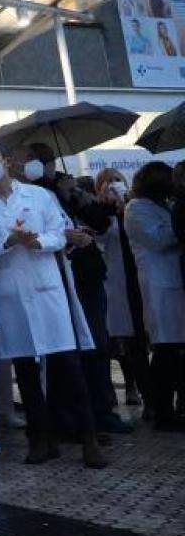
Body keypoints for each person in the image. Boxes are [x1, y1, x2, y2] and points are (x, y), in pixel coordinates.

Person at [0, 145, 108, 467]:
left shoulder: (37, 195)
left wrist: (37, 242)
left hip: (46, 288)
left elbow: (59, 233)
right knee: (26, 370)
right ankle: (40, 438)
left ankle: (90, 438)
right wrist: (8, 241)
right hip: (10, 294)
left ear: (7, 161)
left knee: (68, 363)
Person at [124, 162, 185, 431]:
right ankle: (162, 410)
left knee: (176, 349)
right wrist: (180, 227)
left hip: (174, 282)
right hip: (158, 285)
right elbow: (158, 239)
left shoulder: (164, 206)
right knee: (165, 350)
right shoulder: (136, 209)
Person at [95, 168, 153, 413]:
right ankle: (120, 388)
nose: (113, 185)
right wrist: (109, 211)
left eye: (117, 180)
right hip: (114, 283)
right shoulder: (99, 214)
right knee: (115, 340)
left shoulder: (135, 208)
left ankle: (148, 394)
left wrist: (124, 207)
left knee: (139, 340)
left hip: (138, 281)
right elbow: (100, 239)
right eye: (107, 182)